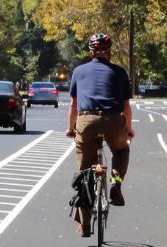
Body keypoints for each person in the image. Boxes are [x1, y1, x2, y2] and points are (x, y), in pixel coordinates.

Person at [65, 32, 134, 237]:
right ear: (110, 53)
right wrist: (128, 128)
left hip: (86, 122)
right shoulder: (120, 72)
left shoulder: (78, 71)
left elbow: (73, 105)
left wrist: (70, 128)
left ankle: (85, 226)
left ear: (90, 52)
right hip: (113, 120)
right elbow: (126, 108)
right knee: (121, 150)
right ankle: (116, 185)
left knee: (85, 173)